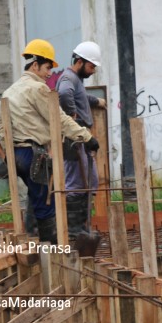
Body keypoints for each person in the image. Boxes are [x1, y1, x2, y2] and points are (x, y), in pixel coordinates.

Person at [0, 39, 100, 244]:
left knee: (36, 197)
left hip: (15, 155)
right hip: (33, 154)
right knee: (46, 205)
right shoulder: (38, 89)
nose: (50, 73)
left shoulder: (10, 91)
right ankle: (51, 250)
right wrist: (87, 137)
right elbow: (58, 118)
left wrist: (9, 153)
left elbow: (1, 128)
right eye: (47, 68)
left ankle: (37, 241)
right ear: (35, 65)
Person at [57, 41, 107, 240]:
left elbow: (80, 95)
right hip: (74, 140)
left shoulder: (75, 80)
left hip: (81, 139)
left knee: (90, 180)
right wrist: (71, 115)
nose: (93, 70)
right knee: (76, 183)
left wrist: (95, 101)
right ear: (80, 61)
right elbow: (63, 93)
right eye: (91, 66)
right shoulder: (68, 78)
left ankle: (82, 226)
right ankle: (74, 230)